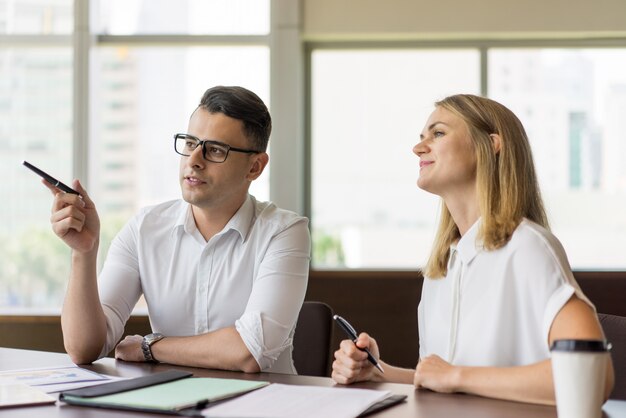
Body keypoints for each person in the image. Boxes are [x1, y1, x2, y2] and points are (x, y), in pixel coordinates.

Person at [331, 94, 615, 404]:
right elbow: (444, 383)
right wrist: (378, 372)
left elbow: (593, 376)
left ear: (492, 144)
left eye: (438, 133)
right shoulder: (442, 268)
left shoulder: (528, 248)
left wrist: (456, 374)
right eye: (421, 137)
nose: (418, 147)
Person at [45, 85, 310, 374]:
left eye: (216, 150)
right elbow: (83, 348)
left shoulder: (284, 232)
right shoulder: (144, 229)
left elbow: (248, 352)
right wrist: (84, 253)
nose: (194, 160)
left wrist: (150, 347)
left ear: (255, 167)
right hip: (173, 406)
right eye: (189, 143)